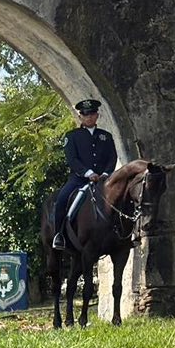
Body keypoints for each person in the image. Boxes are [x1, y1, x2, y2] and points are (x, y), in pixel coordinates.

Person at [52, 97, 119, 249]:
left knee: (124, 197)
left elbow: (112, 157)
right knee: (62, 199)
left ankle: (128, 232)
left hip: (103, 180)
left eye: (92, 114)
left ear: (97, 116)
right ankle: (59, 234)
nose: (89, 117)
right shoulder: (72, 136)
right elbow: (72, 159)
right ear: (80, 116)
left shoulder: (106, 136)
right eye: (86, 114)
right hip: (79, 180)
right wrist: (88, 173)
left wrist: (106, 174)